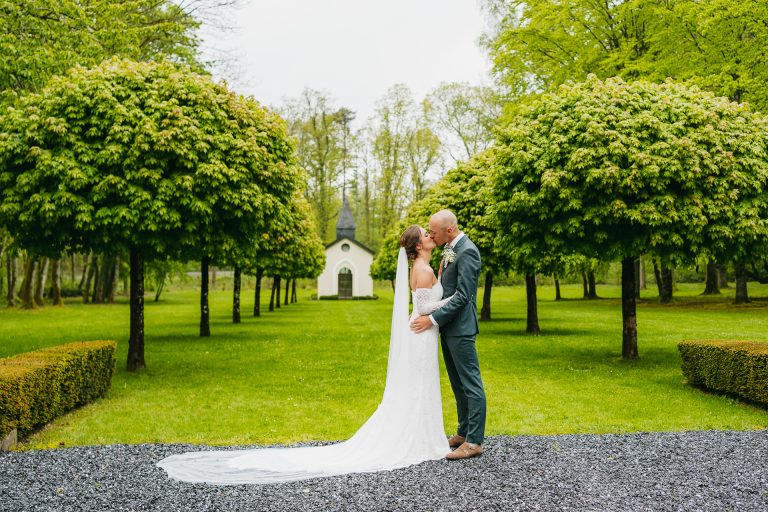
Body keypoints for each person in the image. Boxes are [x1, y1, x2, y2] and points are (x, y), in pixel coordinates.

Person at [157, 225, 453, 484]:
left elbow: (426, 297)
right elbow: (425, 308)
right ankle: (420, 439)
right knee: (419, 385)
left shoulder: (425, 269)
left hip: (421, 334)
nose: (430, 236)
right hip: (422, 331)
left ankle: (422, 435)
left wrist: (441, 280)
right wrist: (454, 299)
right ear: (417, 245)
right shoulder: (422, 270)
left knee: (418, 386)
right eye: (426, 235)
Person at [410, 209, 486, 460]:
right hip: (448, 327)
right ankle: (463, 432)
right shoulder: (450, 248)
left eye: (434, 231)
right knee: (457, 383)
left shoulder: (468, 251)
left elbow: (464, 296)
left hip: (461, 328)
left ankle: (474, 442)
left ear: (449, 230)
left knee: (470, 383)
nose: (431, 234)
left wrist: (431, 319)